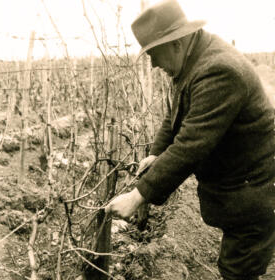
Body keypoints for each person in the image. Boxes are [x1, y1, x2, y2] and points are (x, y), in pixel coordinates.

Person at [105, 0, 275, 279]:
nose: (155, 64)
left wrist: (138, 196)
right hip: (237, 187)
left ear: (176, 43)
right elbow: (173, 118)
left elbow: (191, 144)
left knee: (238, 271)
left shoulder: (218, 71)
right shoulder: (191, 61)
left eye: (154, 54)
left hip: (253, 192)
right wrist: (156, 154)